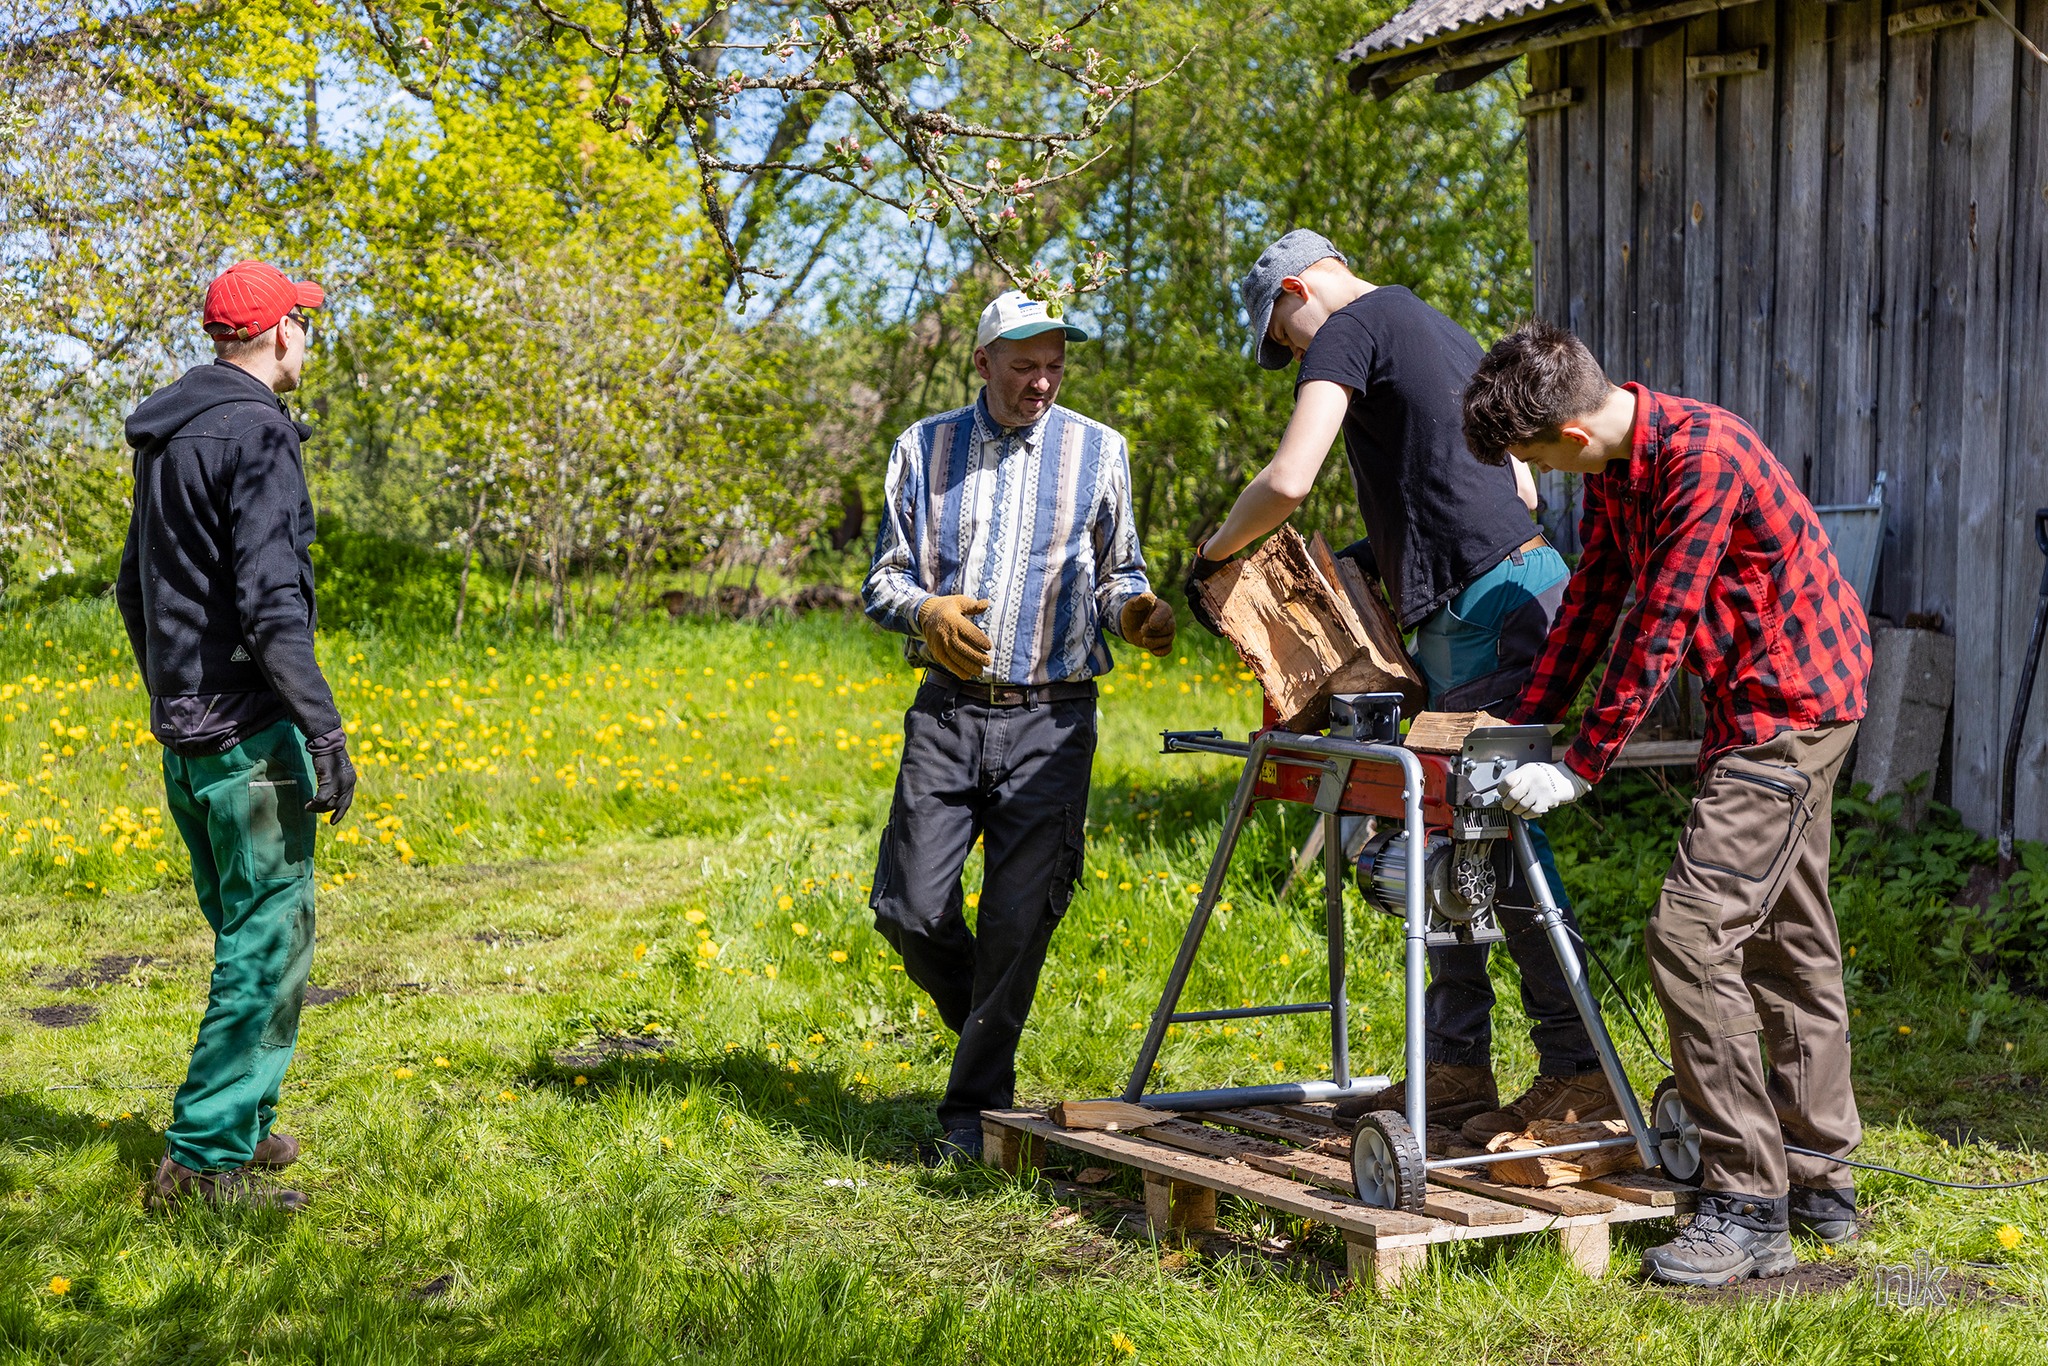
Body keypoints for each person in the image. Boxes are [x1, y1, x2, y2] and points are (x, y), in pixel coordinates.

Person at [1463, 319, 1872, 1287]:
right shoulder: (1616, 470)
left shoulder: (1701, 456)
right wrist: (1524, 722)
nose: (1539, 476)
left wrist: (1580, 764)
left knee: (1689, 936)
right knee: (1785, 937)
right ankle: (1820, 1180)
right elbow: (1595, 599)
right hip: (1757, 704)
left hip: (1791, 706)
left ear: (1564, 436)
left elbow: (1659, 622)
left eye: (1528, 460)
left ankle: (1746, 1202)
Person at [1194, 229, 1616, 1142]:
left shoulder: (1352, 325)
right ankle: (1459, 1066)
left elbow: (1290, 476)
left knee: (1490, 843)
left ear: (1300, 289)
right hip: (1515, 589)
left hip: (1481, 609)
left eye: (1285, 337)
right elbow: (1525, 494)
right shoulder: (1442, 327)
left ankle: (1580, 1073)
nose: (1296, 353)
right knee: (1454, 835)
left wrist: (1211, 557)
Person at [863, 290, 1175, 1162]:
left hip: (1054, 716)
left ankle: (973, 1115)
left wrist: (1138, 615)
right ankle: (989, 1030)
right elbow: (882, 580)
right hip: (949, 713)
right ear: (983, 364)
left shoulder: (1098, 449)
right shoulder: (923, 449)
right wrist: (924, 613)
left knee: (1018, 918)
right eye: (1024, 365)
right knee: (910, 909)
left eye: (1055, 366)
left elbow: (1121, 574)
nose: (1042, 382)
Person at [117, 260, 358, 1212]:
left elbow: (134, 590)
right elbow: (271, 609)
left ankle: (244, 1122)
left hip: (189, 738)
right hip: (249, 743)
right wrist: (323, 729)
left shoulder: (168, 434)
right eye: (309, 322)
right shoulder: (257, 435)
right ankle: (205, 1163)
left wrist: (175, 698)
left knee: (251, 934)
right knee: (266, 943)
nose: (311, 339)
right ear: (282, 332)